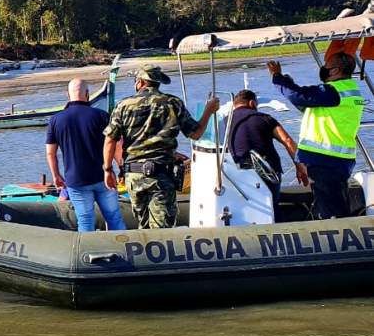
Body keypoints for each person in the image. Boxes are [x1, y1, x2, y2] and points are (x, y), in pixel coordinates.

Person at [103, 65, 220, 229]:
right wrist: (208, 110)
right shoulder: (173, 103)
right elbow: (196, 133)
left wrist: (108, 170)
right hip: (161, 175)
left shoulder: (123, 105)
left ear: (140, 82)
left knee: (143, 226)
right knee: (161, 230)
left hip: (133, 176)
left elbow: (110, 140)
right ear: (158, 83)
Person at [269, 53, 364, 219]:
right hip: (336, 159)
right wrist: (289, 82)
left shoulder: (333, 91)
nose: (323, 69)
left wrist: (277, 77)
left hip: (327, 158)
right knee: (331, 201)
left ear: (335, 70)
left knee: (332, 208)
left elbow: (297, 95)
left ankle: (339, 238)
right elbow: (304, 102)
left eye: (327, 65)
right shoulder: (348, 90)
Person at [46, 79, 126, 232]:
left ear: (67, 95)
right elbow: (116, 146)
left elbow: (51, 153)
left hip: (76, 180)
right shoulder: (102, 116)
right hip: (104, 177)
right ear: (87, 94)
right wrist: (121, 168)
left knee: (85, 220)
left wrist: (56, 175)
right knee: (114, 217)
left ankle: (89, 253)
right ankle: (122, 250)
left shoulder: (55, 120)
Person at [228, 89, 308, 213]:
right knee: (271, 206)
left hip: (237, 172)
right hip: (267, 171)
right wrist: (300, 167)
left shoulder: (224, 122)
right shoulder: (265, 118)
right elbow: (288, 141)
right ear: (252, 104)